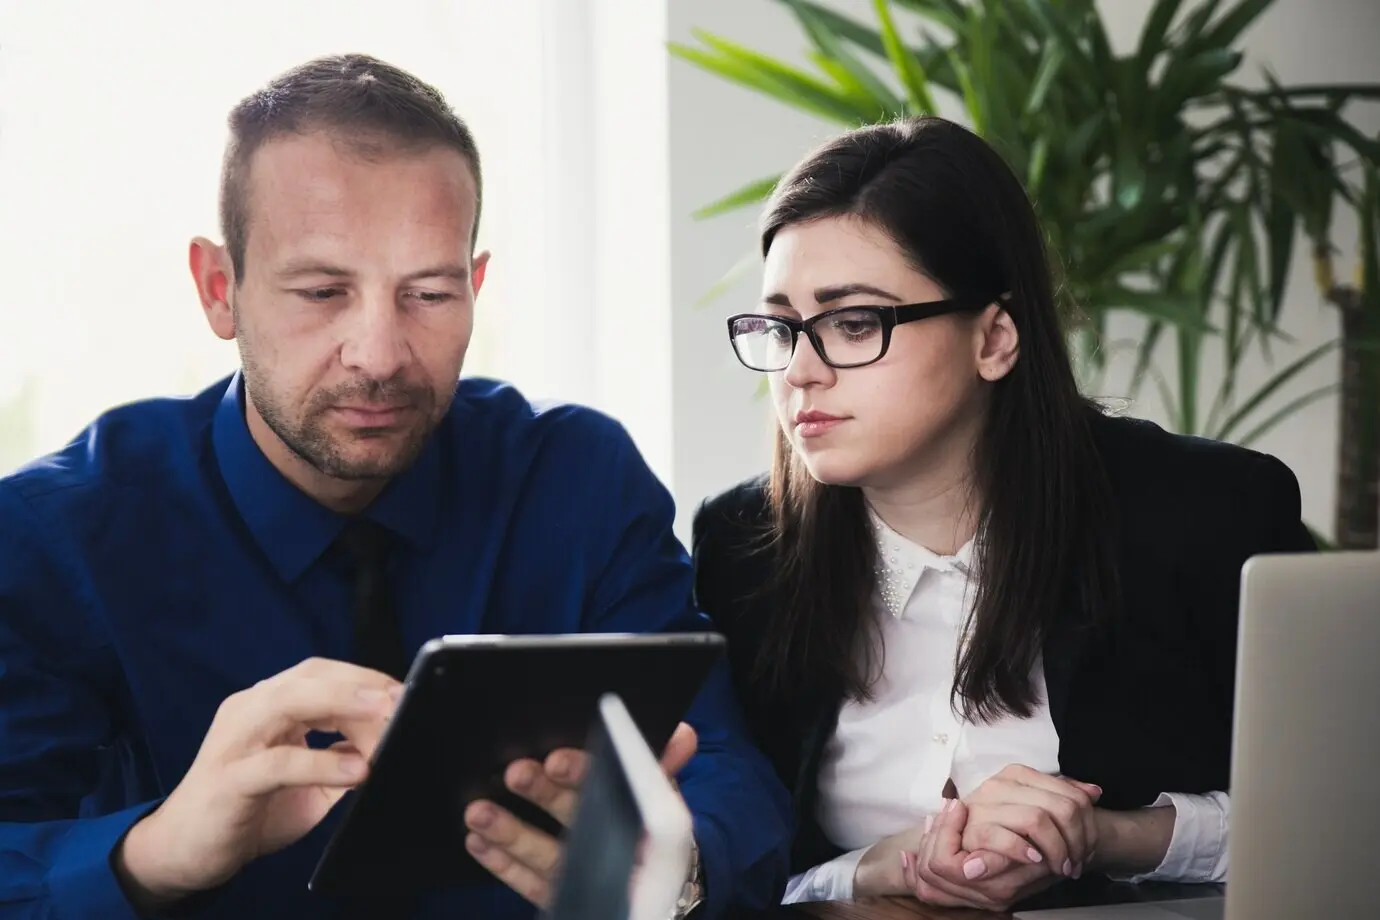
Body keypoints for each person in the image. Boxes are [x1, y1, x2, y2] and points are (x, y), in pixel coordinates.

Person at [0, 54, 790, 920]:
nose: (378, 355)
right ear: (219, 288)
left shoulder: (578, 483)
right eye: (322, 291)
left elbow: (723, 766)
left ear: (476, 287)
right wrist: (154, 851)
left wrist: (671, 879)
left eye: (428, 292)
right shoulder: (50, 538)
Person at [690, 116, 1315, 914]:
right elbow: (724, 867)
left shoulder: (1206, 517)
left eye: (854, 323)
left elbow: (1336, 814)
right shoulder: (746, 555)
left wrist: (1108, 835)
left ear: (995, 336)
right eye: (781, 327)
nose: (802, 373)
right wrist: (866, 872)